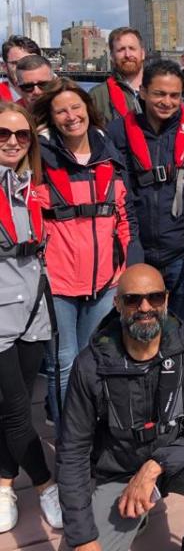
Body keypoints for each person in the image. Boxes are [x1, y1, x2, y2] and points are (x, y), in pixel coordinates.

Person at [56, 263, 184, 551]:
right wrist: (82, 537)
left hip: (180, 459)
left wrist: (156, 465)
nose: (145, 307)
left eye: (154, 297)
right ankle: (135, 517)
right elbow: (73, 451)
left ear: (165, 300)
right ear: (117, 304)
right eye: (132, 300)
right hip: (120, 472)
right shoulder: (90, 365)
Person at [33, 78, 143, 429]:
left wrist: (126, 266)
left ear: (87, 110)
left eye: (76, 108)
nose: (70, 116)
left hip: (104, 282)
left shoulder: (108, 153)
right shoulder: (39, 158)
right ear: (51, 117)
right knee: (63, 362)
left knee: (92, 359)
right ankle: (70, 440)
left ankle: (91, 431)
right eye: (61, 110)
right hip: (59, 282)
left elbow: (123, 214)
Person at [106, 59, 184, 328]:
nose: (167, 101)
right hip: (136, 252)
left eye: (174, 95)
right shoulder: (116, 134)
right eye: (159, 93)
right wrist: (128, 252)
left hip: (183, 256)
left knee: (183, 329)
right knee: (137, 327)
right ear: (143, 92)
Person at [0, 101, 62, 533]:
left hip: (34, 311)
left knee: (13, 406)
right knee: (18, 411)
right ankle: (44, 485)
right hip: (0, 317)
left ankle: (4, 483)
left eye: (22, 136)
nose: (13, 142)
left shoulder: (30, 187)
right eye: (3, 134)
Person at [89, 27, 144, 124]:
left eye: (132, 48)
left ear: (142, 53)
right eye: (121, 50)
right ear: (112, 57)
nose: (127, 54)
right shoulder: (97, 96)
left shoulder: (162, 90)